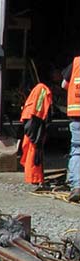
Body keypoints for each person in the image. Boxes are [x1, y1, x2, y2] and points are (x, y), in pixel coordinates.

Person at [19, 82, 52, 187]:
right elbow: (40, 110)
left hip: (32, 122)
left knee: (30, 150)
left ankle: (34, 177)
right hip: (35, 123)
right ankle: (35, 177)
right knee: (34, 152)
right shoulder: (43, 90)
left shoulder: (37, 91)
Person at [61, 57, 80, 202]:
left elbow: (64, 85)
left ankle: (77, 187)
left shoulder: (76, 62)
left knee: (77, 151)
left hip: (77, 116)